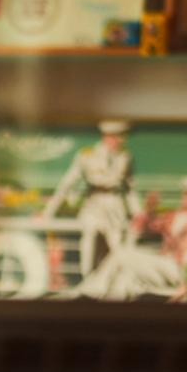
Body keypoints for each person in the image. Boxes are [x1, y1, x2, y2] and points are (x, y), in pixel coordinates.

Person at [40, 119, 142, 280]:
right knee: (89, 239)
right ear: (107, 137)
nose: (121, 141)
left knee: (117, 246)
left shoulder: (125, 157)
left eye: (122, 137)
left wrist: (139, 213)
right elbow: (67, 184)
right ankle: (86, 279)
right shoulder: (87, 155)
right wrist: (49, 211)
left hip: (115, 206)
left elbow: (130, 189)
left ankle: (118, 283)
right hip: (94, 204)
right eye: (117, 137)